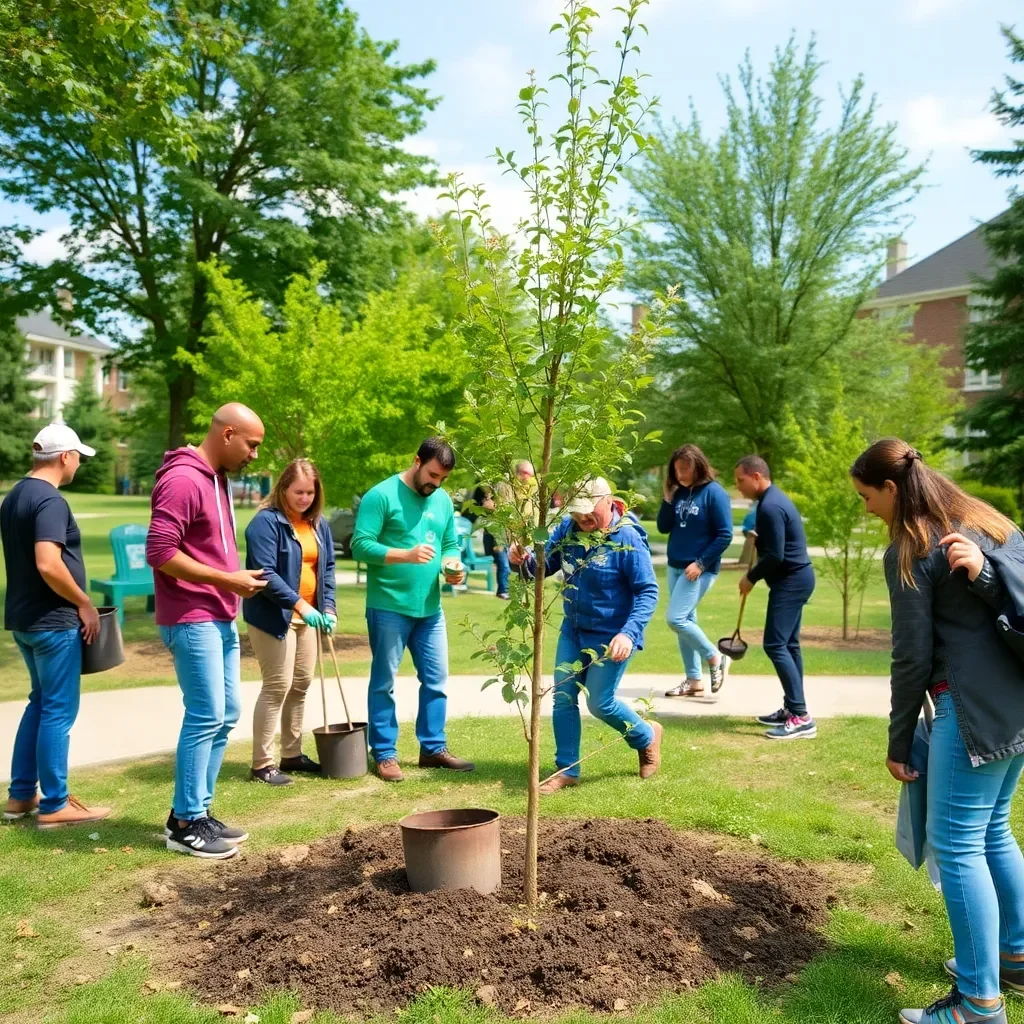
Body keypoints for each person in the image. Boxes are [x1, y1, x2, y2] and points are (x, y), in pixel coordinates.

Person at [851, 439, 1024, 1024]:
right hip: (1017, 701)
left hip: (970, 708)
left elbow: (911, 658)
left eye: (866, 496)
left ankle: (978, 1003)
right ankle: (1016, 955)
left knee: (956, 846)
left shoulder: (911, 546)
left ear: (892, 489)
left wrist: (899, 742)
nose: (866, 508)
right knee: (994, 829)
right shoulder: (988, 521)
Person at [146, 403, 268, 859]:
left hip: (218, 612)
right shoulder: (182, 479)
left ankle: (196, 812)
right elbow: (159, 551)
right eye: (252, 445)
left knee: (226, 713)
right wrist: (227, 579)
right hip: (190, 614)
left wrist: (233, 581)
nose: (254, 455)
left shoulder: (216, 479)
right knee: (204, 714)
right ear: (229, 433)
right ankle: (184, 824)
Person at [510, 477, 661, 794]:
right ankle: (567, 770)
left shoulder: (627, 538)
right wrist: (522, 562)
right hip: (574, 630)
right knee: (562, 698)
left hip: (613, 635)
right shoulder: (568, 530)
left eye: (589, 512)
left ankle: (646, 736)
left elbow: (648, 592)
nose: (583, 519)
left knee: (600, 703)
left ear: (608, 501)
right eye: (577, 512)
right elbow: (543, 566)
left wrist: (628, 634)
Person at [1, 424, 109, 828]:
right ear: (64, 456)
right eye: (78, 455)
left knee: (40, 704)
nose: (79, 462)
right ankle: (55, 804)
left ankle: (20, 796)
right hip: (54, 622)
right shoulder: (50, 500)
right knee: (59, 712)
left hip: (25, 621)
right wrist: (84, 603)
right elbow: (48, 562)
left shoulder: (15, 496)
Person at [351, 437, 475, 781]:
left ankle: (433, 749)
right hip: (389, 605)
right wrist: (403, 554)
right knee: (383, 683)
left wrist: (453, 566)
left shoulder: (443, 501)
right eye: (433, 475)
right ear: (416, 460)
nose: (435, 484)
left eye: (443, 479)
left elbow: (450, 543)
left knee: (436, 681)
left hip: (430, 609)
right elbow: (360, 545)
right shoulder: (381, 495)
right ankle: (385, 754)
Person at [243, 459, 336, 786]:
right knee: (277, 686)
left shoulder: (317, 523)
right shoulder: (264, 524)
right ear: (282, 488)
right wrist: (300, 605)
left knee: (301, 684)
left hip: (308, 617)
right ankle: (262, 764)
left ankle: (292, 754)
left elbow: (326, 570)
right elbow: (265, 574)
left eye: (310, 492)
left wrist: (329, 608)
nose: (304, 498)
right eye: (298, 492)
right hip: (274, 618)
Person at [734, 455, 816, 740]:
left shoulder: (769, 505)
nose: (739, 487)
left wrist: (750, 578)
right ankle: (792, 708)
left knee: (775, 644)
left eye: (740, 481)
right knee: (789, 645)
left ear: (756, 476)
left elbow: (776, 556)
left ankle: (801, 716)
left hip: (792, 582)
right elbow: (779, 542)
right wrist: (762, 536)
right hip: (796, 579)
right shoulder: (773, 500)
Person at [658, 444, 734, 698]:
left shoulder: (715, 493)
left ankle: (714, 658)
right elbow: (663, 526)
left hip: (699, 570)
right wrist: (668, 498)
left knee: (675, 619)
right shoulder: (679, 492)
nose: (679, 474)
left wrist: (701, 563)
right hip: (675, 567)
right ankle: (694, 681)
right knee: (686, 622)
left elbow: (725, 535)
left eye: (685, 469)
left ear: (698, 466)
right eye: (676, 470)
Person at [466, 484, 511, 599]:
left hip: (503, 539)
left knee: (505, 566)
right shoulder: (488, 516)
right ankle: (503, 590)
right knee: (504, 565)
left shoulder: (501, 509)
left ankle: (505, 589)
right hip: (497, 541)